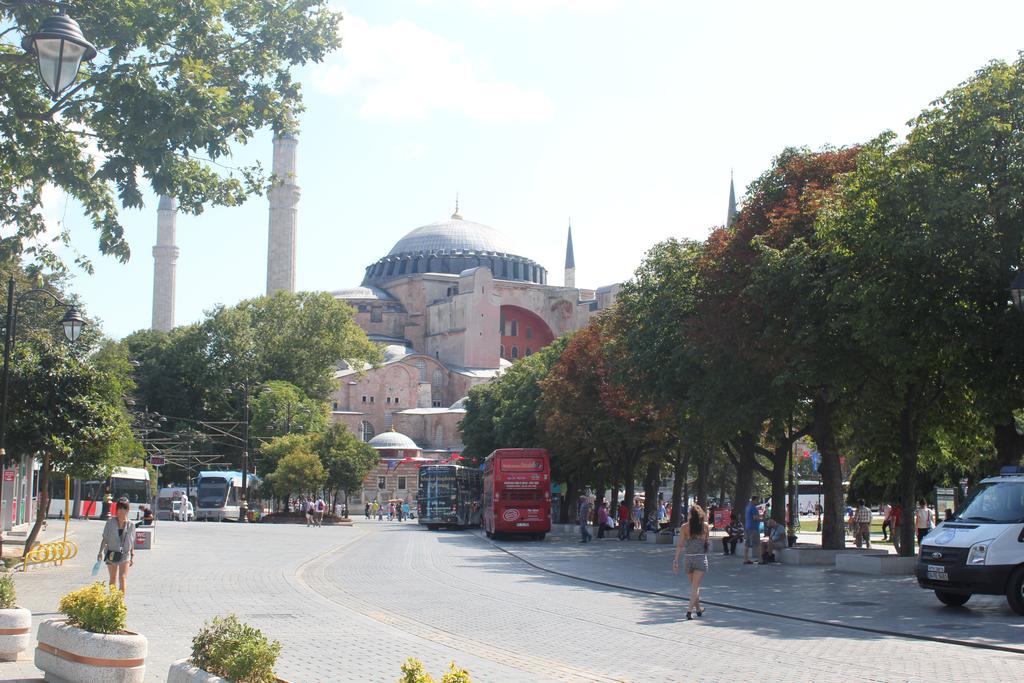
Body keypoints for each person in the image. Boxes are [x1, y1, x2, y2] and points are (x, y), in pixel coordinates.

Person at [672, 503, 709, 620]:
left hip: (688, 558)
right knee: (695, 587)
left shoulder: (684, 527)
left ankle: (698, 609)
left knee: (694, 586)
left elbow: (680, 545)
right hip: (700, 558)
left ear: (690, 515)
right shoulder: (705, 526)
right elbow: (706, 542)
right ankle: (689, 611)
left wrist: (676, 560)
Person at [98, 500, 136, 594]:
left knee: (122, 578)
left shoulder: (131, 525)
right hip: (111, 553)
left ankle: (119, 602)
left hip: (125, 555)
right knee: (113, 578)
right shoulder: (110, 522)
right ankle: (113, 600)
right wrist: (100, 552)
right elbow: (105, 538)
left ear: (127, 510)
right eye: (119, 508)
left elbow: (132, 541)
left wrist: (132, 555)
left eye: (123, 508)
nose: (121, 510)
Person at [743, 496, 761, 564]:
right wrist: (761, 519)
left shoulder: (747, 507)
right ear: (754, 500)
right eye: (757, 500)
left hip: (747, 527)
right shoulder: (754, 508)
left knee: (747, 544)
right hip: (754, 528)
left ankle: (745, 559)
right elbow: (755, 518)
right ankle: (760, 559)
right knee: (758, 544)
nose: (758, 502)